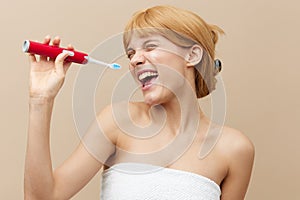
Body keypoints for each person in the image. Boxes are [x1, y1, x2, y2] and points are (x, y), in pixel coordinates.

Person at [24, 5, 254, 200]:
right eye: (130, 53)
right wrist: (40, 99)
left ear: (192, 56)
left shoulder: (234, 149)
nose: (135, 60)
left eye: (150, 46)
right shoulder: (118, 121)